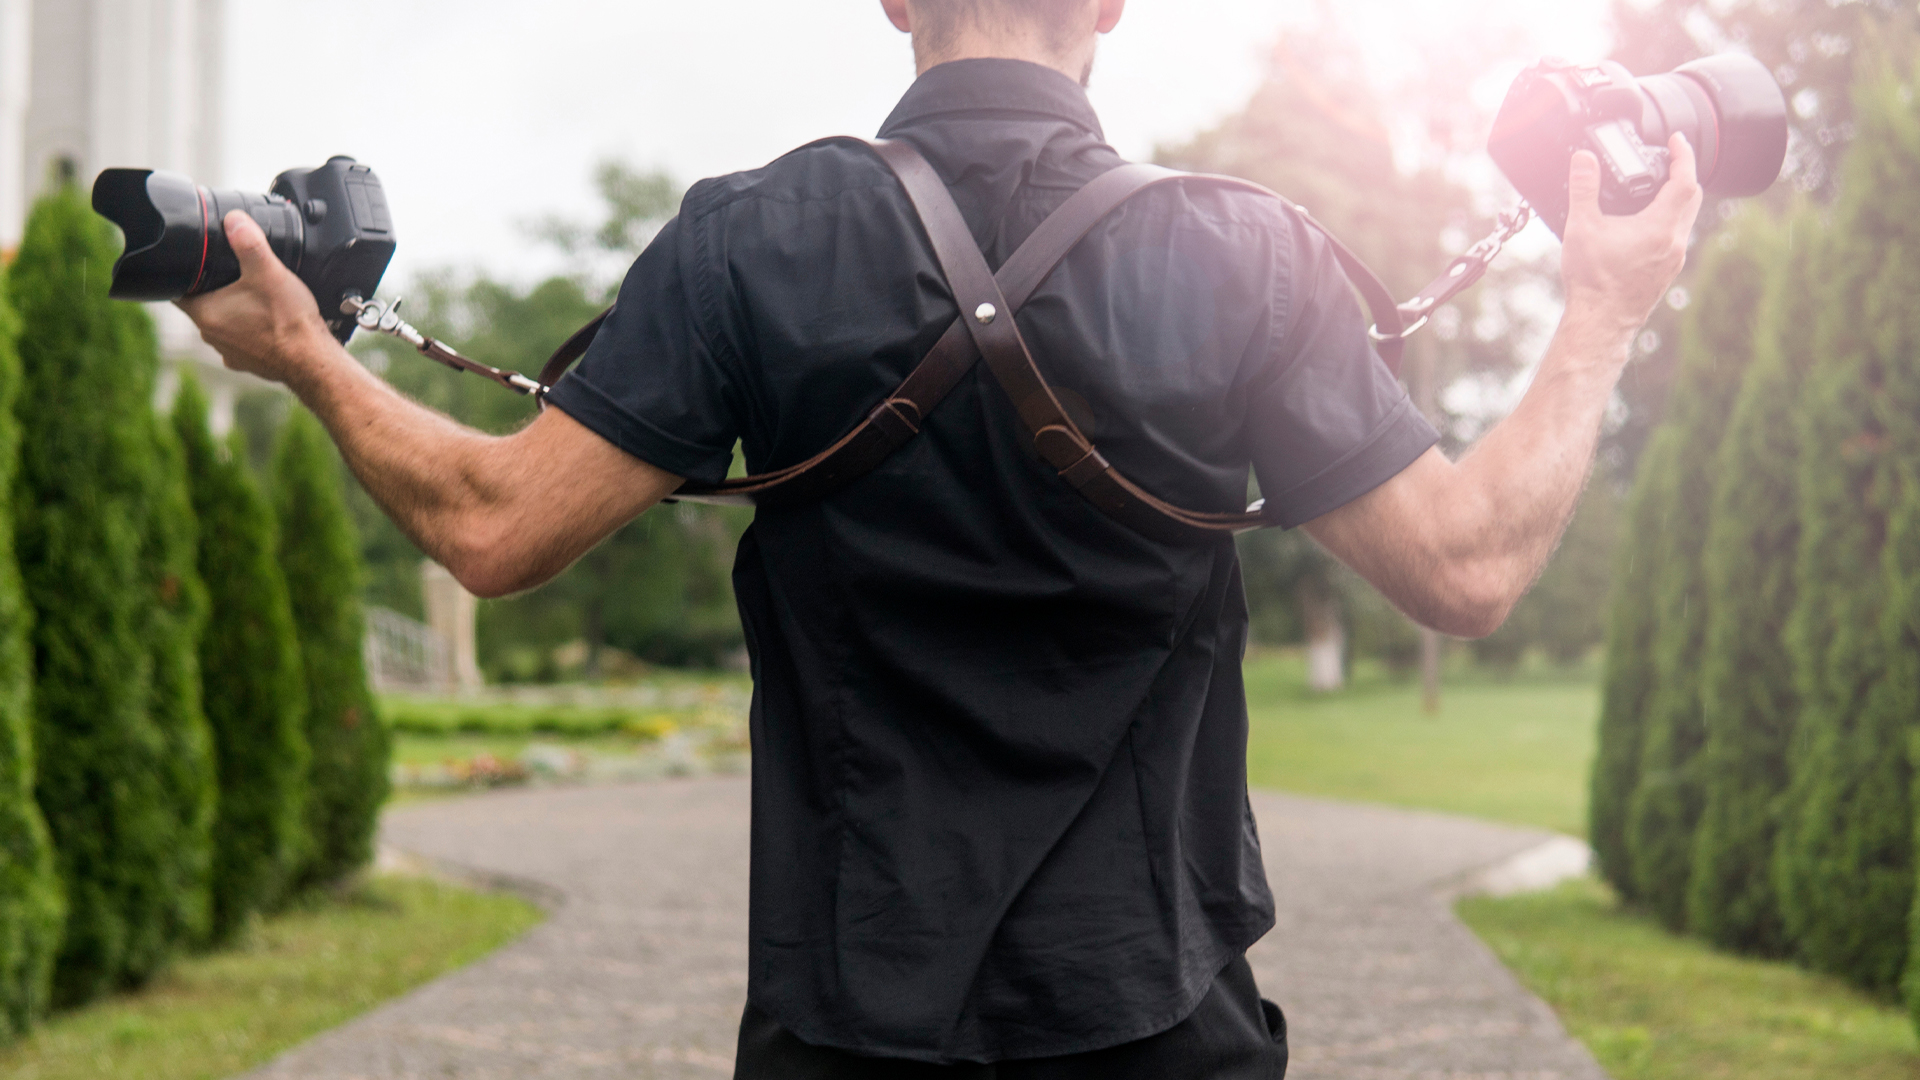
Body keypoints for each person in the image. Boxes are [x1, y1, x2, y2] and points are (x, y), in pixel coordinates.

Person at [178, 2, 1701, 1076]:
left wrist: (310, 352)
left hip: (851, 1024)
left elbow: (493, 529)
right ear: (1112, 5)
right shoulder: (1243, 252)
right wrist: (1604, 308)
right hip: (1157, 1012)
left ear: (893, 1)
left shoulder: (747, 239)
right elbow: (1470, 566)